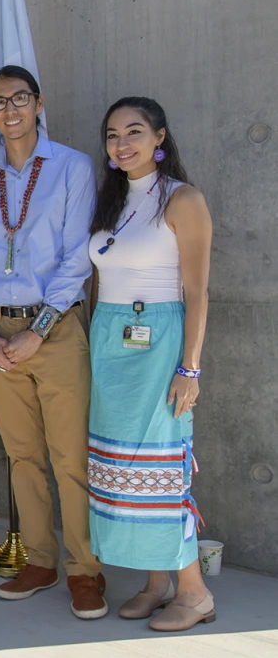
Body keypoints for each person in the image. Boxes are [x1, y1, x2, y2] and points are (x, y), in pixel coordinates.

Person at [0, 65, 106, 618]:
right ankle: (40, 562)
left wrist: (38, 332)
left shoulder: (72, 167)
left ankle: (85, 571)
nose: (10, 109)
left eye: (20, 98)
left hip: (58, 330)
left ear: (38, 103)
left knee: (71, 459)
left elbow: (78, 258)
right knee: (23, 457)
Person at [89, 97, 214, 631]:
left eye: (135, 131)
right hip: (109, 342)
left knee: (158, 469)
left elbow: (198, 290)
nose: (123, 143)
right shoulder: (111, 201)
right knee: (121, 468)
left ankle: (194, 591)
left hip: (159, 339)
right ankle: (155, 581)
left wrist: (190, 367)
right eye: (113, 135)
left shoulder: (182, 200)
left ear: (160, 137)